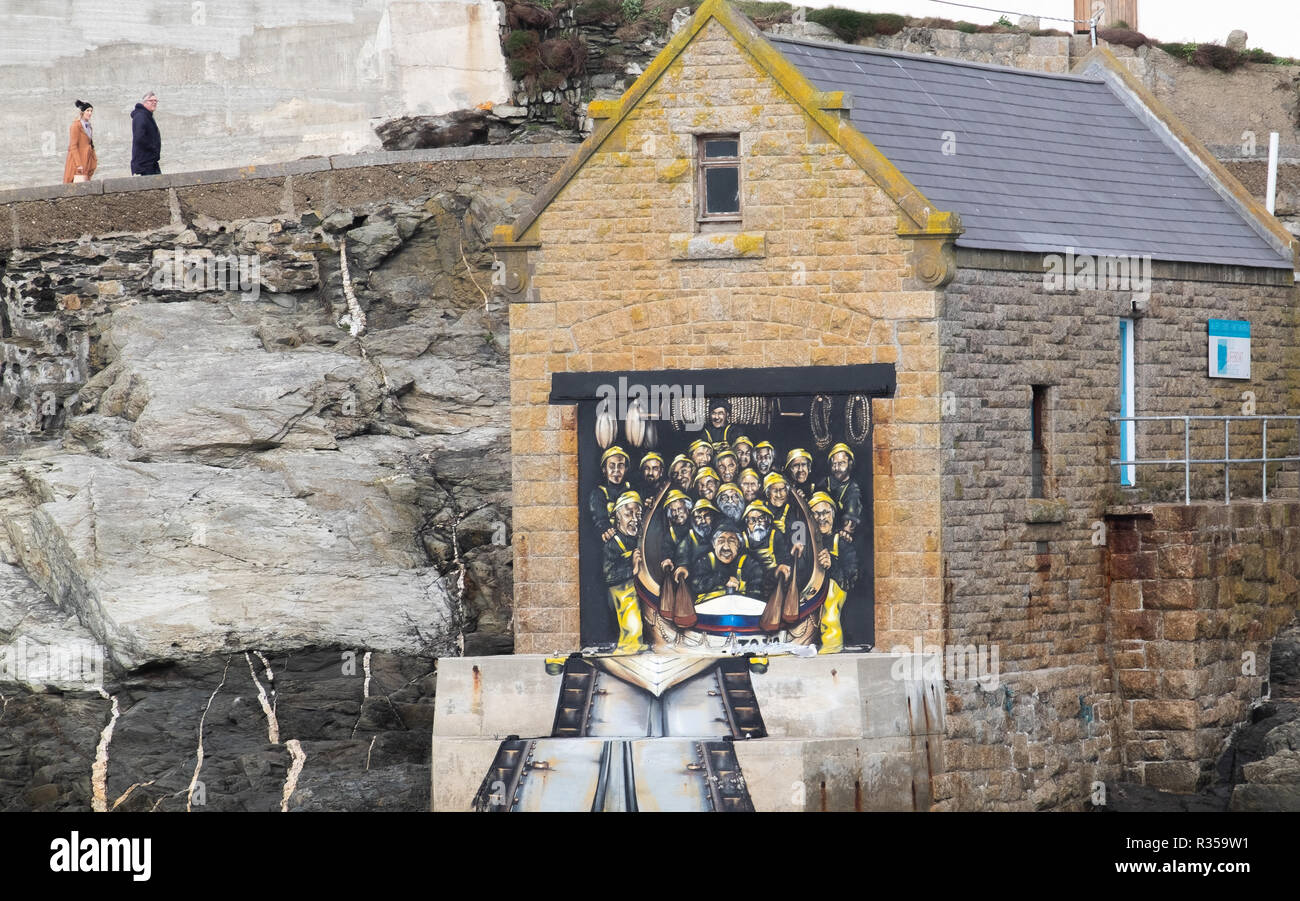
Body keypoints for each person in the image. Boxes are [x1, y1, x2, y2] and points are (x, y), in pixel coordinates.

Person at [809, 491, 858, 654]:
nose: (821, 518)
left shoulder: (843, 542)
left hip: (835, 628)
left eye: (826, 512)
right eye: (816, 514)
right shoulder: (806, 544)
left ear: (833, 514)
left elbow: (852, 579)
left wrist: (832, 565)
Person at [602, 491, 648, 654]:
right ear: (618, 518)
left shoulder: (639, 538)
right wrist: (632, 568)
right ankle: (629, 646)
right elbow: (609, 574)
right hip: (620, 591)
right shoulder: (613, 544)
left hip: (638, 588)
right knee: (631, 614)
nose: (635, 519)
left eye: (638, 514)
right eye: (629, 514)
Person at [690, 519, 767, 603]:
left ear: (739, 544)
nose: (726, 547)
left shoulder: (750, 564)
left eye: (731, 541)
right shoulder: (705, 561)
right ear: (714, 544)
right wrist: (724, 580)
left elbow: (758, 592)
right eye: (721, 541)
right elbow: (695, 584)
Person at [821, 443, 863, 539]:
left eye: (841, 463)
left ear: (850, 464)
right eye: (834, 464)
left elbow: (851, 513)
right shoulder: (825, 482)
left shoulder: (853, 488)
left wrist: (846, 531)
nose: (836, 468)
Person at [588, 446, 630, 541]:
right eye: (612, 466)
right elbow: (600, 519)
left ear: (626, 469)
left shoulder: (632, 491)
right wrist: (606, 529)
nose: (616, 470)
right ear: (604, 469)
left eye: (620, 466)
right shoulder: (599, 494)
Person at [62, 100, 97, 183]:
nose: (90, 113)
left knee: (85, 184)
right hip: (77, 162)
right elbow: (73, 146)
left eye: (91, 111)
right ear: (82, 112)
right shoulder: (75, 126)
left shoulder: (89, 126)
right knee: (73, 185)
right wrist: (79, 165)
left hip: (86, 160)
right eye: (87, 111)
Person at [130, 91, 162, 176]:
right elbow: (139, 138)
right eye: (151, 100)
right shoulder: (140, 116)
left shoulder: (147, 116)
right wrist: (153, 147)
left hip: (151, 163)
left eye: (156, 101)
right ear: (144, 102)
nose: (154, 103)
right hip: (144, 164)